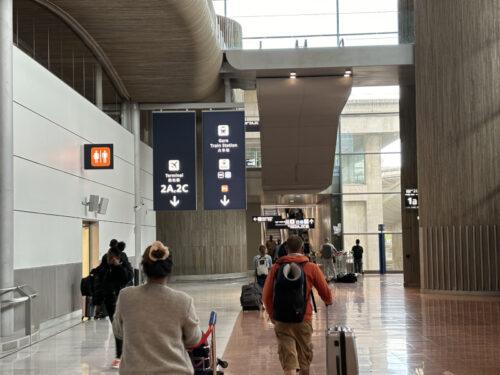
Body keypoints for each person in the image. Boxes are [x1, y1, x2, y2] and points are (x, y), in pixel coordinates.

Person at [112, 241, 202, 374]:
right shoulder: (183, 301)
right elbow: (194, 339)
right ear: (171, 269)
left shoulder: (126, 296)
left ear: (143, 268)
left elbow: (118, 332)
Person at [262, 235, 332, 375]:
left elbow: (266, 296)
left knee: (289, 362)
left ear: (286, 249)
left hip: (282, 320)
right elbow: (326, 293)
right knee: (304, 361)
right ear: (303, 248)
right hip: (304, 319)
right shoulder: (311, 267)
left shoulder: (276, 268)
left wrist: (272, 315)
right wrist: (328, 300)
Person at [93, 243, 133, 368]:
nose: (110, 259)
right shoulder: (104, 268)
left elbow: (126, 278)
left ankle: (127, 354)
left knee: (126, 328)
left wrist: (118, 267)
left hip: (125, 301)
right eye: (108, 257)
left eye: (112, 257)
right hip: (110, 302)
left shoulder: (124, 265)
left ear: (118, 257)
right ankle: (119, 356)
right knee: (117, 328)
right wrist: (98, 304)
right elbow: (99, 286)